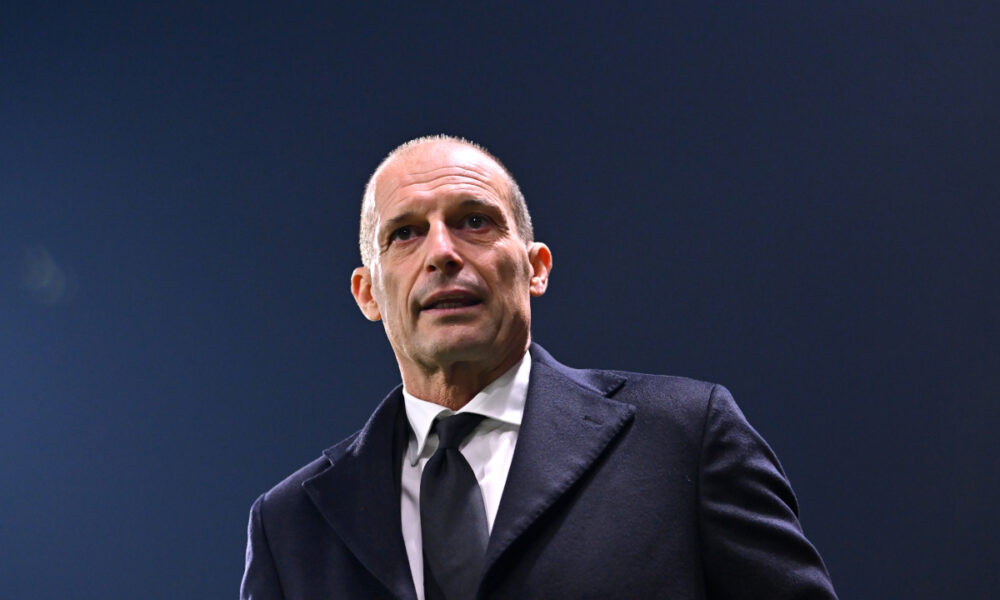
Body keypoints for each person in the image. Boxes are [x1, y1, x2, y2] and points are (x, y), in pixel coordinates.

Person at [241, 135, 838, 599]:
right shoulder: (291, 524)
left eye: (474, 220)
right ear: (367, 292)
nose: (443, 253)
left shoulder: (685, 438)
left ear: (536, 268)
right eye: (406, 233)